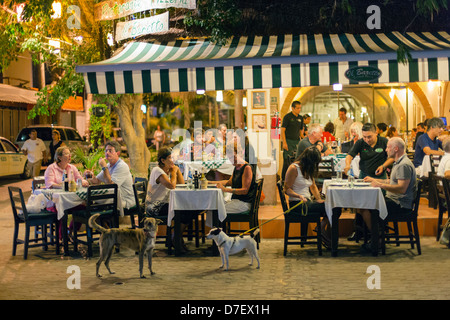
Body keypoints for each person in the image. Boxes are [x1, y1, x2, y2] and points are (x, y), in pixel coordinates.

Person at [361, 137, 417, 234]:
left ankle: (376, 239)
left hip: (400, 204)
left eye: (388, 147)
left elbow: (401, 189)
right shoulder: (399, 162)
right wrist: (374, 180)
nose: (386, 150)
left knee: (366, 206)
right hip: (395, 200)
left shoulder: (403, 165)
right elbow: (392, 181)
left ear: (396, 149)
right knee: (363, 204)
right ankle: (373, 235)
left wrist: (380, 185)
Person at [284, 146, 329, 246]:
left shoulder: (307, 168)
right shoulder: (293, 168)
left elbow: (313, 186)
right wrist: (298, 196)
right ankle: (323, 232)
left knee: (333, 207)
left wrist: (319, 199)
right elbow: (286, 189)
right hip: (298, 204)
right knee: (332, 207)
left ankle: (321, 228)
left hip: (307, 202)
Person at [86, 140, 136, 210]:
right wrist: (90, 176)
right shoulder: (109, 165)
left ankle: (101, 219)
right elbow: (97, 181)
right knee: (89, 202)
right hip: (114, 197)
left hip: (125, 200)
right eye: (106, 151)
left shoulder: (121, 166)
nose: (107, 153)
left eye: (110, 151)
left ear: (117, 153)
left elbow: (111, 185)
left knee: (94, 204)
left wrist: (104, 167)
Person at [216, 143, 257, 214]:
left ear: (240, 153)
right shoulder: (237, 167)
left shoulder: (247, 168)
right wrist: (209, 182)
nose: (232, 160)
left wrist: (225, 189)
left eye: (233, 157)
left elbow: (245, 190)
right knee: (215, 206)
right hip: (237, 201)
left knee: (216, 210)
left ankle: (217, 225)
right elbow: (229, 182)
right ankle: (218, 225)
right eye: (229, 158)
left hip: (244, 203)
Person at [281, 100, 304, 180]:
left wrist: (304, 139)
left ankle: (294, 179)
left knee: (296, 161)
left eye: (300, 108)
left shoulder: (301, 118)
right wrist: (284, 142)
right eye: (297, 108)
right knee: (287, 161)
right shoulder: (287, 117)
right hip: (288, 141)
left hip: (297, 142)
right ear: (293, 108)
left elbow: (301, 132)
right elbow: (282, 130)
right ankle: (283, 180)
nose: (299, 110)